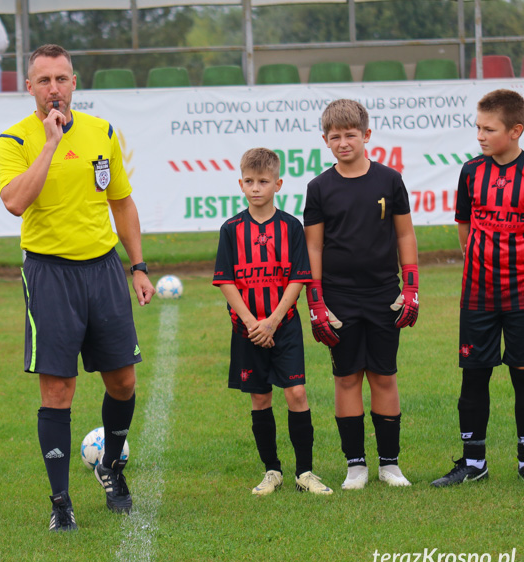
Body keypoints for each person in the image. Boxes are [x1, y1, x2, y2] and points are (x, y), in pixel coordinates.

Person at [0, 44, 155, 532]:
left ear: (74, 83)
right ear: (30, 88)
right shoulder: (14, 139)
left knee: (123, 380)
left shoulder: (102, 132)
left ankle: (111, 467)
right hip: (49, 274)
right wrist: (49, 144)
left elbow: (122, 202)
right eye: (43, 81)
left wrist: (139, 266)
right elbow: (15, 203)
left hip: (103, 269)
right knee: (58, 389)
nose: (54, 89)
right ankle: (61, 500)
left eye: (61, 79)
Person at [304, 99, 418, 490]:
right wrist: (316, 301)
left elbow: (404, 234)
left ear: (367, 136)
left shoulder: (389, 180)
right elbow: (314, 248)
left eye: (351, 135)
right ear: (325, 140)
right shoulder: (318, 187)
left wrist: (412, 285)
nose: (343, 142)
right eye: (334, 136)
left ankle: (390, 464)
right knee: (347, 377)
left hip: (385, 294)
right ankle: (356, 465)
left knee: (384, 376)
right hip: (338, 299)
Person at [214, 148, 332, 496]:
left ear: (277, 184)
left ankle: (305, 472)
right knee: (260, 399)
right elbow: (225, 280)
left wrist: (273, 320)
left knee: (296, 392)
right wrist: (254, 323)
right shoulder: (231, 229)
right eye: (249, 181)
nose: (255, 188)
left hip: (285, 326)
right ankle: (272, 471)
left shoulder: (291, 227)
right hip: (247, 330)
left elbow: (298, 277)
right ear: (240, 183)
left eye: (263, 181)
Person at [432, 89, 524, 487]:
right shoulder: (471, 171)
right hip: (478, 295)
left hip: (522, 295)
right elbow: (465, 226)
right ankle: (473, 463)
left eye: (489, 129)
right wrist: (478, 262)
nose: (481, 136)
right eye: (477, 128)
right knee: (474, 377)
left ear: (516, 130)